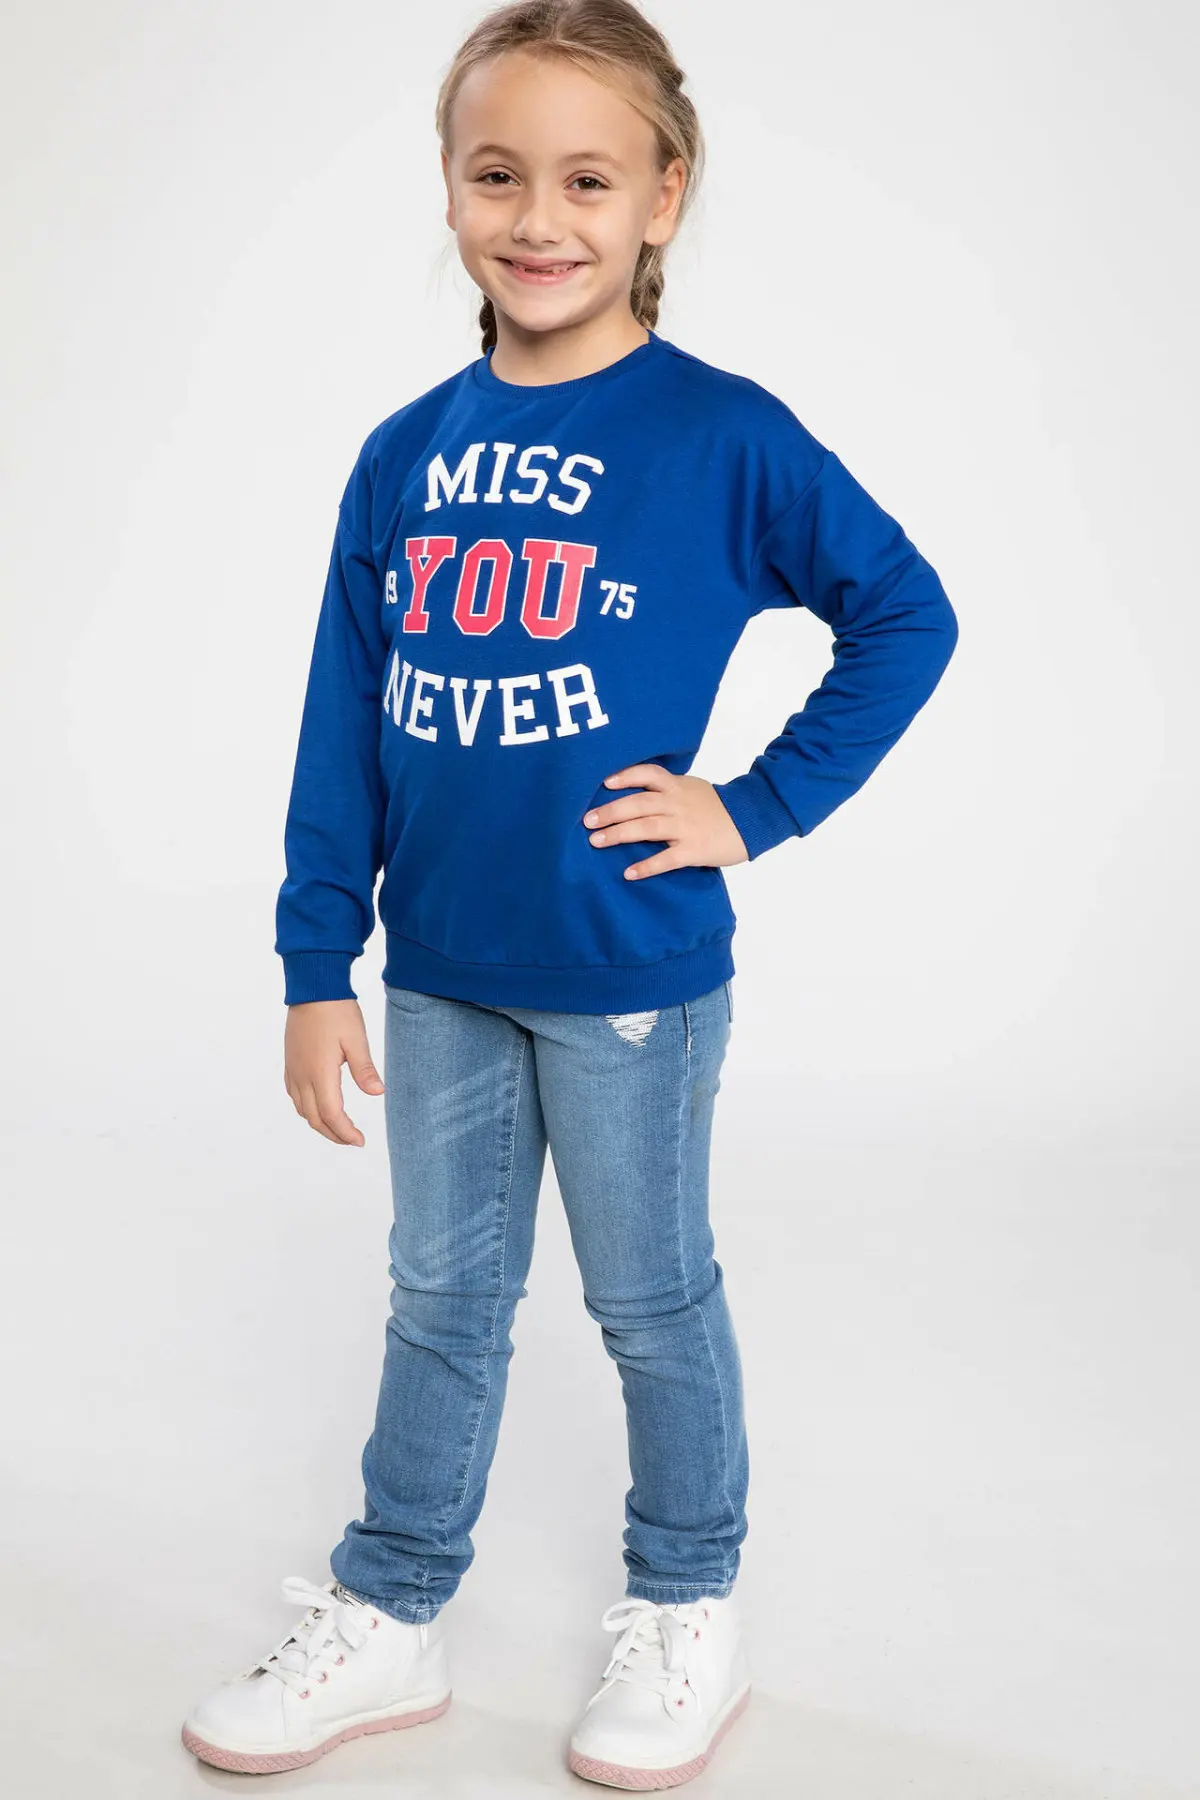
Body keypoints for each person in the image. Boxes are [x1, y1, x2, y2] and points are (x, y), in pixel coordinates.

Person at [181, 0, 959, 1785]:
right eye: (498, 174)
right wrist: (316, 959)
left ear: (664, 197)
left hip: (628, 972)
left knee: (649, 1300)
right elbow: (344, 718)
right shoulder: (404, 451)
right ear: (451, 189)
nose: (539, 217)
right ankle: (391, 1611)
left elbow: (906, 614)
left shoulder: (720, 436)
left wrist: (753, 807)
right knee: (439, 1300)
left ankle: (688, 1603)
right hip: (440, 971)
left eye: (588, 179)